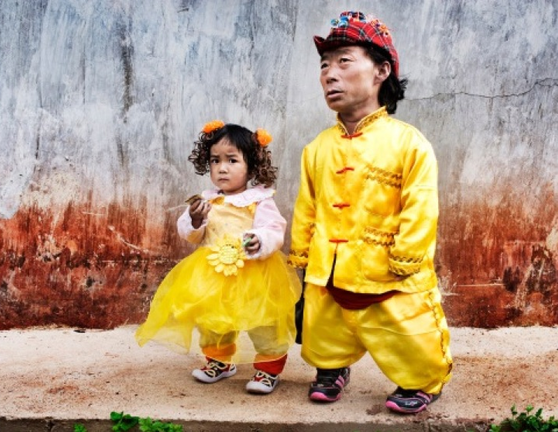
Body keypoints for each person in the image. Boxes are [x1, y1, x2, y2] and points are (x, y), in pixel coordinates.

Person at [288, 11, 453, 414]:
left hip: (386, 265)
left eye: (344, 61)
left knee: (406, 328)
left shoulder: (408, 143)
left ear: (381, 70)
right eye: (324, 65)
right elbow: (306, 205)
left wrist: (407, 257)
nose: (329, 74)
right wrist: (303, 255)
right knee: (324, 324)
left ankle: (422, 381)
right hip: (330, 264)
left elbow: (421, 204)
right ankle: (332, 368)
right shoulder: (317, 148)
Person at [136, 120, 301, 395]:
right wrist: (195, 219)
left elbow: (275, 229)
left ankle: (268, 370)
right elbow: (190, 234)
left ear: (252, 165)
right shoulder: (206, 200)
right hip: (213, 274)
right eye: (215, 160)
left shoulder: (259, 199)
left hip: (254, 274)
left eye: (232, 160)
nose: (222, 168)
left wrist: (259, 240)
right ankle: (220, 362)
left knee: (263, 323)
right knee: (213, 322)